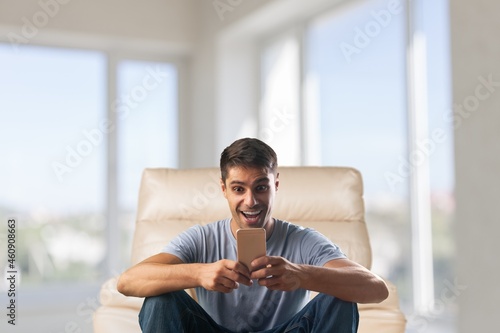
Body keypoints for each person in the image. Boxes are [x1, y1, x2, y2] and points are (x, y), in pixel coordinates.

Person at [117, 137, 389, 333]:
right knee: (161, 296)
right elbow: (128, 282)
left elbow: (376, 288)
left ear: (276, 185)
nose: (251, 201)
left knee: (339, 297)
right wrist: (199, 273)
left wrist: (302, 275)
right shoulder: (200, 238)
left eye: (260, 187)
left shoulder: (304, 240)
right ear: (223, 189)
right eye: (238, 189)